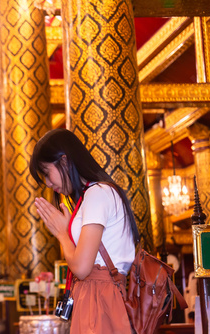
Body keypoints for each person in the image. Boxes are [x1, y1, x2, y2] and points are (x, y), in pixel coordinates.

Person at [29, 128, 139, 334]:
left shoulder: (98, 194)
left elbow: (81, 267)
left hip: (99, 296)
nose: (47, 183)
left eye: (46, 173)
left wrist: (62, 234)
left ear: (64, 161)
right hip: (97, 295)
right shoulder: (94, 195)